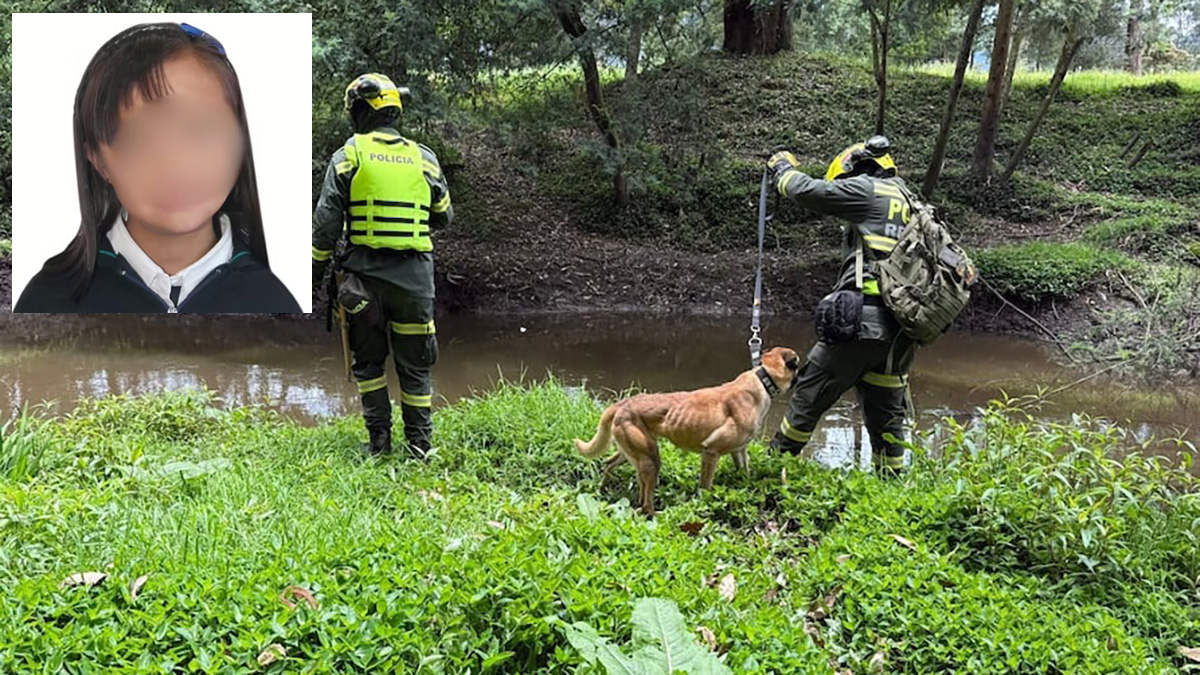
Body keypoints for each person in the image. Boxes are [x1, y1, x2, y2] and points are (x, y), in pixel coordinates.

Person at [15, 22, 299, 313]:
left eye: (199, 131)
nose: (174, 165)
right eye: (138, 140)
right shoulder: (47, 299)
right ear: (98, 160)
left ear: (242, 140)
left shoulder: (276, 302)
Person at [311, 73, 452, 458]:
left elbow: (325, 226)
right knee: (416, 365)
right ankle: (420, 447)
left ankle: (379, 443)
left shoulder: (348, 156)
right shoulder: (424, 158)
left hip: (363, 282)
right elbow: (444, 216)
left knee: (369, 362)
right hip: (415, 281)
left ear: (361, 110)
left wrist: (316, 272)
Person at [765, 136, 918, 474]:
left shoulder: (867, 190)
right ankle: (891, 486)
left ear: (855, 170)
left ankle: (773, 470)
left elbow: (806, 190)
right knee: (887, 414)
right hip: (902, 330)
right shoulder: (913, 202)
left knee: (810, 391)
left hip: (862, 321)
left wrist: (782, 168)